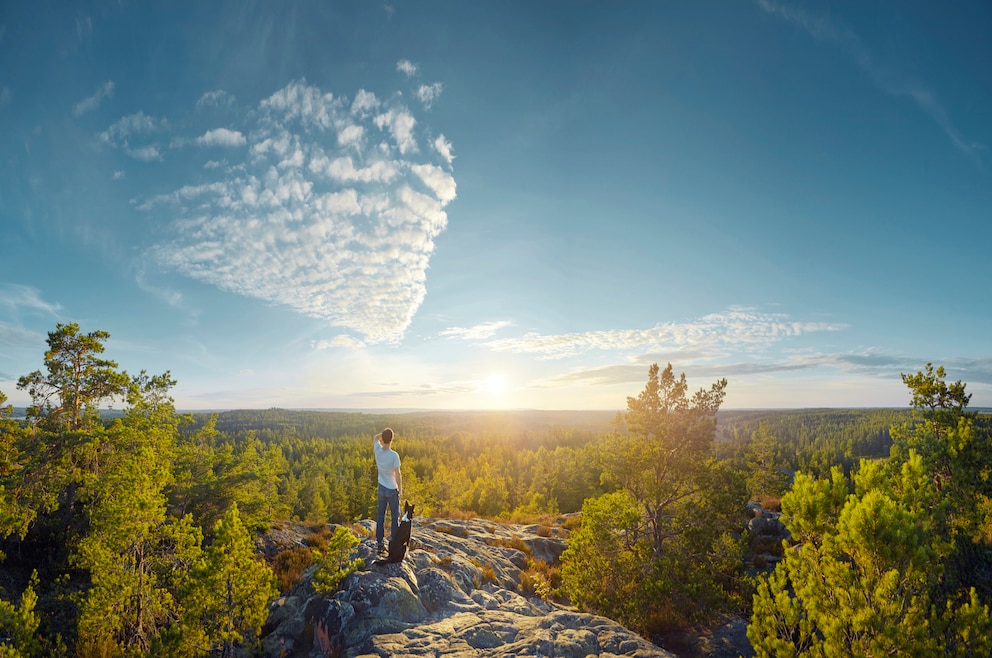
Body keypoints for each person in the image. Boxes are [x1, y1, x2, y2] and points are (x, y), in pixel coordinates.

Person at [373, 428, 402, 553]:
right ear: (392, 439)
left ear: (383, 438)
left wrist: (384, 435)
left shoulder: (378, 450)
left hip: (381, 487)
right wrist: (400, 490)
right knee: (394, 517)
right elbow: (398, 474)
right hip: (392, 489)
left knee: (380, 516)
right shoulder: (394, 455)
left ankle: (380, 543)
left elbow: (375, 438)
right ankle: (394, 543)